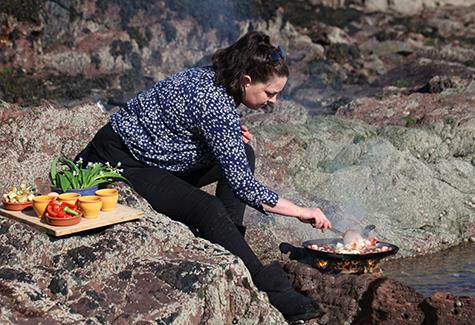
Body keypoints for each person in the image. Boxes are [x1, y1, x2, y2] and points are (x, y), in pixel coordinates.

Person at [75, 31, 332, 322]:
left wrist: (230, 135)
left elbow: (192, 128)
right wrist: (300, 211)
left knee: (242, 155)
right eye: (270, 93)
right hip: (118, 163)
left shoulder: (218, 80)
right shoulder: (215, 102)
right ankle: (264, 283)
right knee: (208, 208)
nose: (273, 101)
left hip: (156, 155)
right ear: (247, 80)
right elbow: (244, 186)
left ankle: (231, 241)